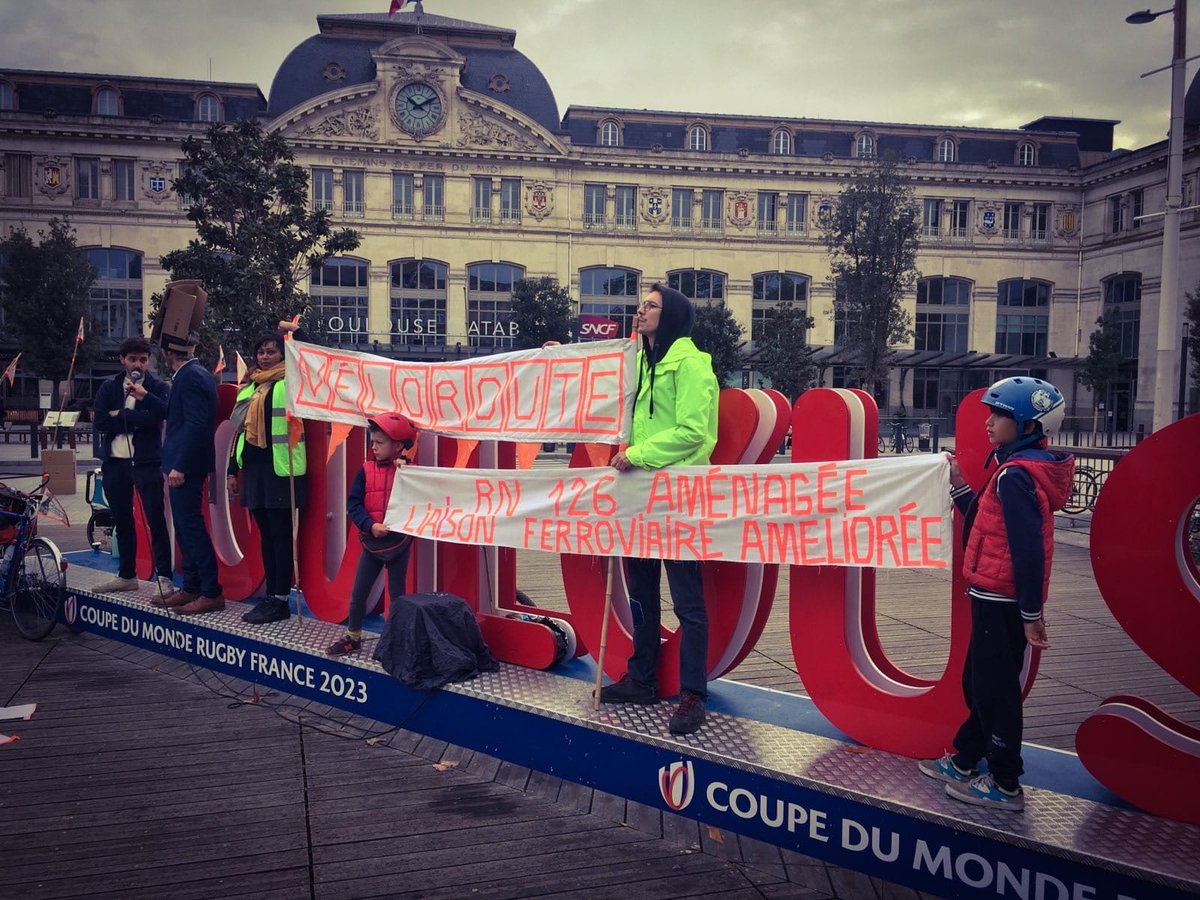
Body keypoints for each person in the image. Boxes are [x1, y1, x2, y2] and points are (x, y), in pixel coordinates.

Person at [918, 376, 1074, 811]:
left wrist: (1030, 613)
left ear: (1027, 425)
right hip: (991, 596)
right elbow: (985, 526)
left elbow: (1027, 552)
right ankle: (967, 757)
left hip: (1003, 601)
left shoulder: (1017, 477)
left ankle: (1005, 782)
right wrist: (956, 483)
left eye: (1000, 415)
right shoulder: (1013, 469)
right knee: (978, 682)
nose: (988, 422)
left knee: (994, 690)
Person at [597, 283, 719, 736]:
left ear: (670, 316)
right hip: (640, 497)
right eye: (640, 304)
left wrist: (638, 455)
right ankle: (642, 679)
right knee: (641, 594)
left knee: (688, 601)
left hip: (678, 499)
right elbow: (599, 376)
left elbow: (693, 432)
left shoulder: (691, 363)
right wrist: (560, 359)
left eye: (650, 306)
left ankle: (693, 694)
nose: (639, 311)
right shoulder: (641, 360)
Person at [227, 330, 306, 625]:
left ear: (283, 355)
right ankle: (271, 596)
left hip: (282, 470)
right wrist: (232, 471)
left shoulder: (291, 382)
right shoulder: (250, 386)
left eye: (271, 351)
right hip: (255, 469)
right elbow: (239, 429)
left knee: (281, 535)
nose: (264, 356)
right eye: (261, 351)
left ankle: (281, 599)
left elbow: (306, 355)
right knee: (266, 536)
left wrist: (295, 335)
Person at [326, 413, 418, 657]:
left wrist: (407, 473)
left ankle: (395, 641)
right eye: (372, 442)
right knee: (359, 593)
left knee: (397, 597)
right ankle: (353, 636)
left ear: (398, 446)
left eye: (380, 442)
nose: (374, 447)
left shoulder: (408, 472)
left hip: (399, 543)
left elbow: (420, 502)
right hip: (372, 543)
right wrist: (370, 525)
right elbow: (353, 505)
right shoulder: (365, 471)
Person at [91, 336, 175, 596]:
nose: (138, 364)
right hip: (115, 463)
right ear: (122, 360)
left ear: (148, 361)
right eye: (132, 359)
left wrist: (124, 413)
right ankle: (127, 575)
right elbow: (101, 421)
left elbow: (160, 416)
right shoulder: (110, 386)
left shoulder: (157, 386)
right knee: (123, 520)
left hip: (145, 462)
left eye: (143, 359)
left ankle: (164, 577)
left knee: (155, 518)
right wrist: (131, 417)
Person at [151, 332, 224, 615]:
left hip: (186, 465)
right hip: (185, 463)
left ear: (168, 353)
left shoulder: (190, 376)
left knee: (190, 527)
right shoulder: (195, 373)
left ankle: (210, 591)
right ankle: (192, 586)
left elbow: (195, 424)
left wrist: (179, 465)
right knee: (184, 527)